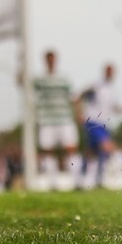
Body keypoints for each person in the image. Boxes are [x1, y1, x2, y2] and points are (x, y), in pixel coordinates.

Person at [33, 50, 81, 188]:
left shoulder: (64, 79)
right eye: (49, 59)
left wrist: (78, 113)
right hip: (46, 121)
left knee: (71, 149)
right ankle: (52, 183)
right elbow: (23, 85)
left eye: (53, 59)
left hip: (65, 119)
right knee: (48, 151)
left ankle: (76, 182)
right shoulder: (39, 80)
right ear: (45, 61)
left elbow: (73, 97)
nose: (51, 62)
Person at [81, 63, 120, 189]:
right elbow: (80, 96)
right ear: (104, 72)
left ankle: (83, 179)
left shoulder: (112, 89)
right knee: (107, 147)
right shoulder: (96, 86)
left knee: (92, 152)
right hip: (93, 121)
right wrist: (78, 113)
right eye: (108, 71)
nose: (110, 74)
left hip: (103, 123)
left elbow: (114, 108)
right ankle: (99, 179)